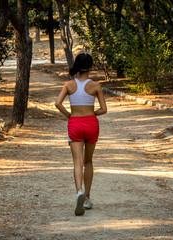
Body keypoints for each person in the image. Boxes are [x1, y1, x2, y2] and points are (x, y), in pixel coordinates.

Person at [55, 53, 107, 216]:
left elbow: (57, 103)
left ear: (77, 66)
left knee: (77, 161)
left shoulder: (69, 85)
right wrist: (92, 114)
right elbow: (104, 109)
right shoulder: (96, 86)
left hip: (75, 124)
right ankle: (87, 197)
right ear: (91, 68)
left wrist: (69, 115)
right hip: (91, 124)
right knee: (88, 161)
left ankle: (78, 191)